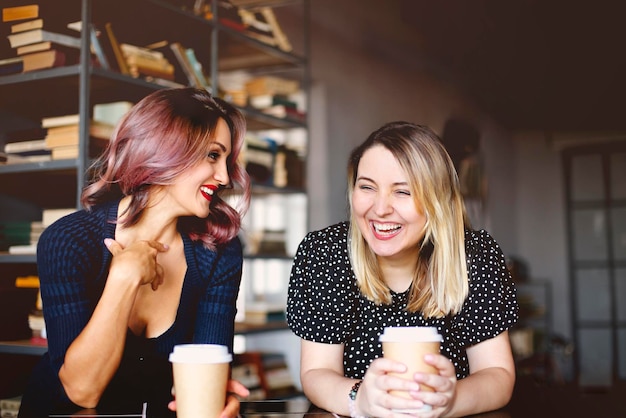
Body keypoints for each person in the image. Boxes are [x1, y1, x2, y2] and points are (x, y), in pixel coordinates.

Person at [19, 87, 252, 418]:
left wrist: (217, 401)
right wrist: (124, 277)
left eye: (226, 160)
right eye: (213, 155)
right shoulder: (68, 240)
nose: (225, 177)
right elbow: (80, 392)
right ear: (168, 150)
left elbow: (206, 370)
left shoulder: (219, 250)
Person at [287, 121, 519, 417]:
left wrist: (450, 401)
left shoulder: (474, 255)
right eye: (367, 187)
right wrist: (361, 401)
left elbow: (497, 375)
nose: (380, 208)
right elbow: (317, 372)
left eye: (402, 191)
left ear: (437, 200)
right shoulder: (326, 253)